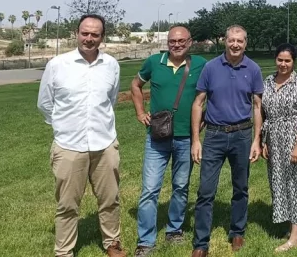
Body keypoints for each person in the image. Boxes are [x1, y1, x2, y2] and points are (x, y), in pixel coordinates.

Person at [37, 14, 127, 257]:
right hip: (69, 145)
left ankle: (112, 243)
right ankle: (64, 251)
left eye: (95, 34)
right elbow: (45, 104)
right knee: (67, 205)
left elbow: (110, 101)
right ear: (76, 34)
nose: (89, 38)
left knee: (110, 199)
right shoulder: (58, 65)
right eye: (85, 33)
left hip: (104, 144)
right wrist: (62, 126)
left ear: (102, 37)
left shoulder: (111, 65)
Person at [131, 25, 207, 257]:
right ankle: (146, 241)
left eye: (181, 41)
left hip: (186, 137)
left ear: (190, 42)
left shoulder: (201, 65)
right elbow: (135, 85)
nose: (176, 45)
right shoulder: (154, 62)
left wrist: (203, 123)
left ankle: (174, 229)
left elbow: (208, 95)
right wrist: (139, 112)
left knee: (181, 187)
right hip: (157, 137)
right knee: (150, 189)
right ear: (167, 43)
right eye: (172, 41)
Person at [190, 25, 264, 257]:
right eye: (231, 40)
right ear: (225, 41)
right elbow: (198, 103)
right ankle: (201, 243)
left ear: (246, 43)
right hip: (214, 135)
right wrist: (196, 140)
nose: (235, 45)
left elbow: (257, 106)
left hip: (242, 135)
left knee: (240, 187)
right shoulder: (211, 68)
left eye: (239, 41)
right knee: (205, 191)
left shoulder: (253, 69)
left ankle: (237, 231)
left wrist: (256, 140)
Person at [260, 43, 297, 252]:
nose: (283, 64)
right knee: (279, 182)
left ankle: (295, 234)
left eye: (287, 60)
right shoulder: (267, 82)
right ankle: (289, 224)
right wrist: (265, 141)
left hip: (294, 137)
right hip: (274, 138)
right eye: (280, 60)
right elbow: (264, 113)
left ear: (294, 62)